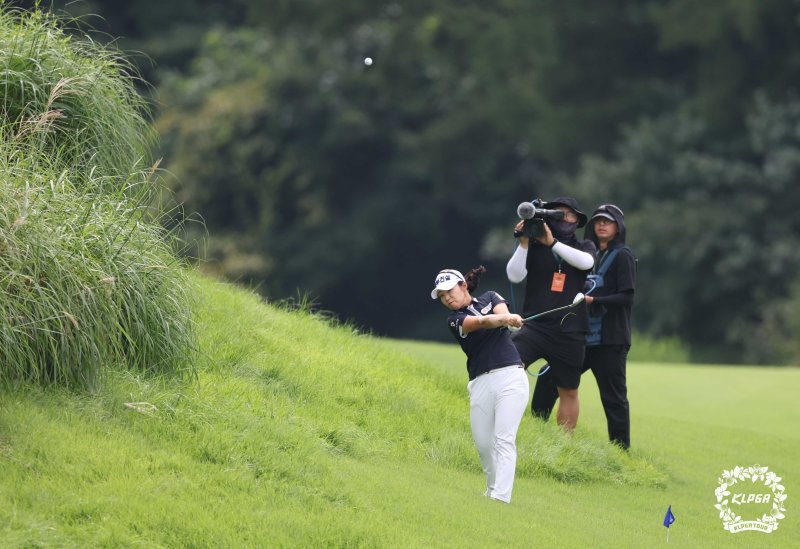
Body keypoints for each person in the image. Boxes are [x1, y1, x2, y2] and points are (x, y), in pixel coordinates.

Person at [528, 204, 636, 449]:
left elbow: (627, 298)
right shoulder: (586, 253)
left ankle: (621, 453)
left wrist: (592, 301)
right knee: (548, 379)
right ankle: (534, 432)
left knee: (613, 398)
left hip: (609, 340)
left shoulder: (624, 256)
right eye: (598, 221)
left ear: (618, 227)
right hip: (582, 336)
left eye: (607, 221)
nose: (601, 225)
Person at [431, 266, 529, 504]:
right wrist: (506, 319)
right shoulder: (454, 320)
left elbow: (501, 313)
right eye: (442, 296)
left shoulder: (491, 297)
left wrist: (509, 319)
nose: (447, 298)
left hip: (510, 377)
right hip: (480, 382)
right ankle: (492, 489)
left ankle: (500, 497)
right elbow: (484, 322)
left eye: (449, 291)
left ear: (463, 285)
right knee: (484, 444)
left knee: (503, 439)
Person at [506, 197, 596, 432]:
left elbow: (586, 264)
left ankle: (566, 445)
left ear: (577, 221)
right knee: (507, 367)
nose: (564, 218)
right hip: (535, 325)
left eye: (570, 215)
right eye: (558, 214)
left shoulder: (584, 246)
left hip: (571, 330)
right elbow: (514, 276)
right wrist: (524, 242)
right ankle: (504, 425)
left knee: (568, 389)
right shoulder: (533, 246)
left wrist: (552, 242)